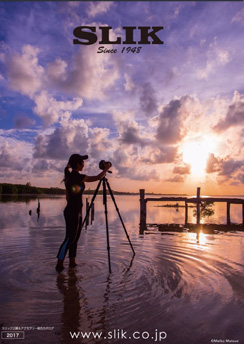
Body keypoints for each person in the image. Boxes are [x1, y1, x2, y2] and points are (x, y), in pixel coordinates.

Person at [56, 154, 111, 273]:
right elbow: (96, 178)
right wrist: (106, 169)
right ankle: (59, 265)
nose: (83, 164)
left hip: (75, 210)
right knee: (70, 238)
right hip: (73, 211)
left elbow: (67, 195)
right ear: (77, 164)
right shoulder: (76, 176)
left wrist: (75, 208)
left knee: (75, 238)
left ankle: (72, 262)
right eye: (82, 162)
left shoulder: (70, 176)